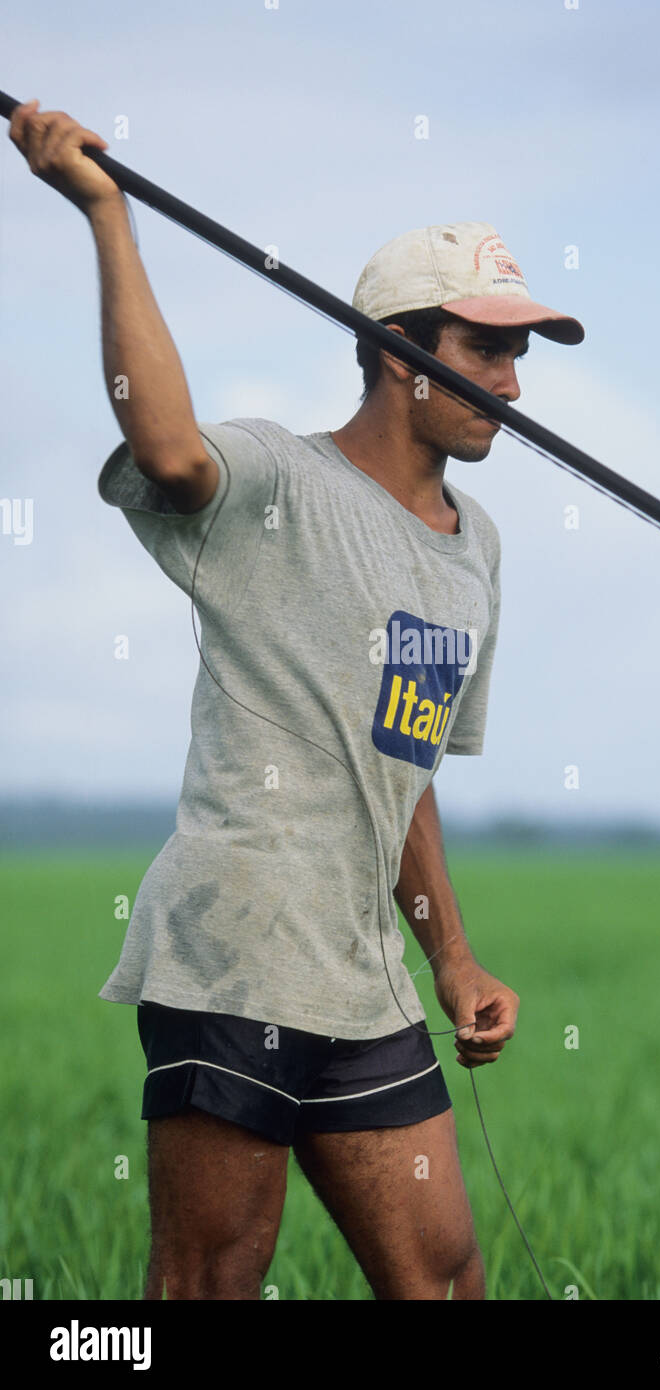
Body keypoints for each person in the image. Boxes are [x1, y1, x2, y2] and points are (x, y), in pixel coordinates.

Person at [8, 99, 585, 1301]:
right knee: (210, 1282)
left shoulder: (472, 545)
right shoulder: (277, 477)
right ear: (394, 348)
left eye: (519, 355)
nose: (513, 383)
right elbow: (166, 449)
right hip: (237, 950)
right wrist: (106, 214)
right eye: (484, 350)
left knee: (444, 1281)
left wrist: (455, 961)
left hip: (363, 971)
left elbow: (401, 763)